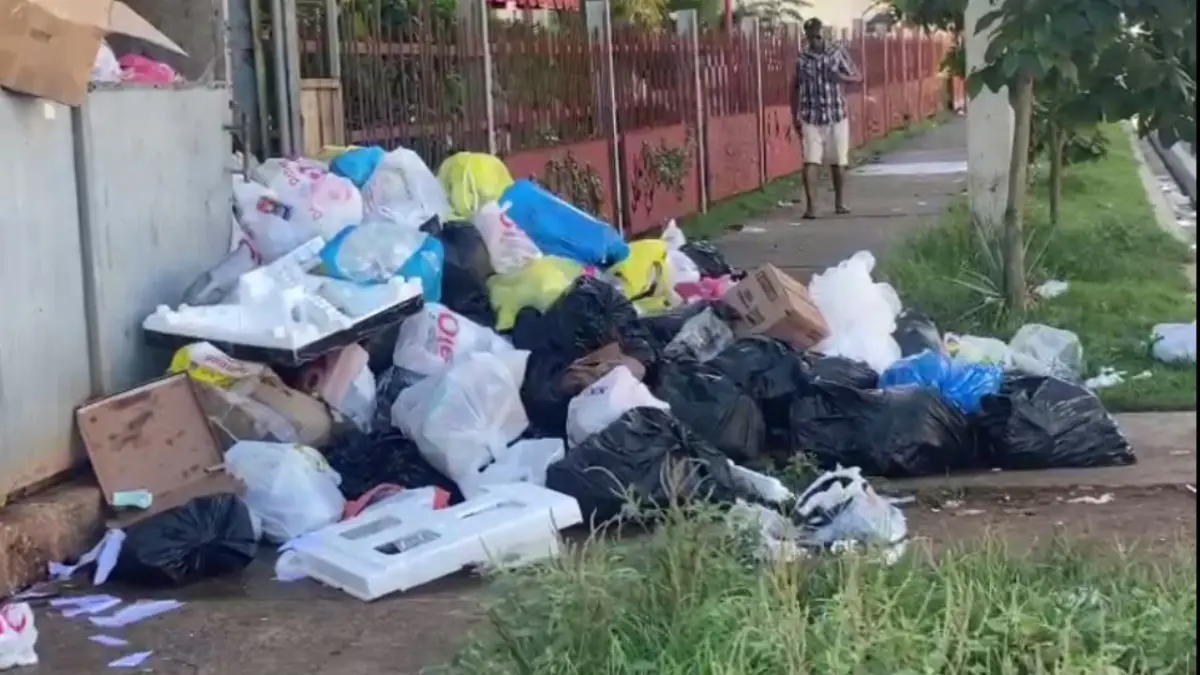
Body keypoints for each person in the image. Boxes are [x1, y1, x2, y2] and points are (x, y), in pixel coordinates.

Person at [790, 18, 862, 219]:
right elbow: (794, 88)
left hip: (836, 114)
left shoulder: (836, 52)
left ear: (824, 35)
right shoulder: (802, 59)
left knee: (838, 161)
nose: (815, 41)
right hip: (811, 116)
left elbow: (857, 76)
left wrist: (842, 78)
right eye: (811, 37)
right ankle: (811, 207)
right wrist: (794, 114)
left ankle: (839, 202)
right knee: (810, 160)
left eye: (818, 36)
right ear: (807, 37)